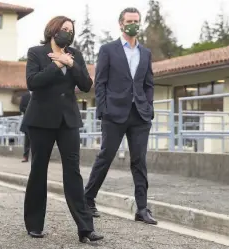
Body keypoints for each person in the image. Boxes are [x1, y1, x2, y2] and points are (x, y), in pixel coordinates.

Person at [21, 16, 104, 243]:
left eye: (70, 30)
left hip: (68, 121)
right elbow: (33, 82)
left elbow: (86, 85)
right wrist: (57, 64)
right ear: (53, 29)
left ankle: (85, 228)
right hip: (41, 121)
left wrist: (70, 63)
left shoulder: (75, 55)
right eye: (63, 28)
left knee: (73, 172)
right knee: (38, 171)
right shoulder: (36, 53)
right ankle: (34, 224)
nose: (67, 32)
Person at [84, 7, 157, 225]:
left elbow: (148, 84)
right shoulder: (108, 50)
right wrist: (103, 109)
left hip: (140, 115)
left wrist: (149, 107)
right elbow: (101, 83)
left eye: (136, 20)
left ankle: (142, 208)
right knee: (106, 156)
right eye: (129, 21)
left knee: (139, 161)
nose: (133, 24)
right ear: (121, 24)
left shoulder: (145, 53)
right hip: (114, 114)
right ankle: (88, 199)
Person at [19, 91, 31, 162]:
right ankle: (25, 157)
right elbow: (21, 108)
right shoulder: (25, 96)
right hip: (28, 121)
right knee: (27, 141)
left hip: (39, 121)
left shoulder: (40, 94)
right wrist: (30, 111)